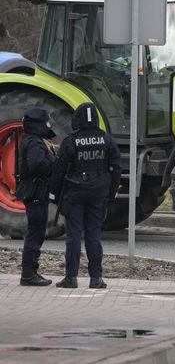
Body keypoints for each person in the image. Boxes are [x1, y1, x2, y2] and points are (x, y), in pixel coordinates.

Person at [50, 103, 121, 289]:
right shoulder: (107, 140)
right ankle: (96, 278)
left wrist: (55, 196)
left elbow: (58, 171)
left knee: (73, 236)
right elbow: (116, 170)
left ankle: (71, 278)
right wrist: (110, 195)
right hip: (99, 193)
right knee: (93, 236)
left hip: (75, 192)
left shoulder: (71, 141)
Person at [16, 108, 57, 286]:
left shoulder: (34, 140)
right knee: (35, 232)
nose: (49, 125)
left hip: (35, 192)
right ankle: (28, 273)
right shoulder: (34, 142)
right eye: (47, 122)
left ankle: (31, 271)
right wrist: (54, 160)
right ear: (39, 124)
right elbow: (38, 165)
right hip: (35, 192)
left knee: (37, 231)